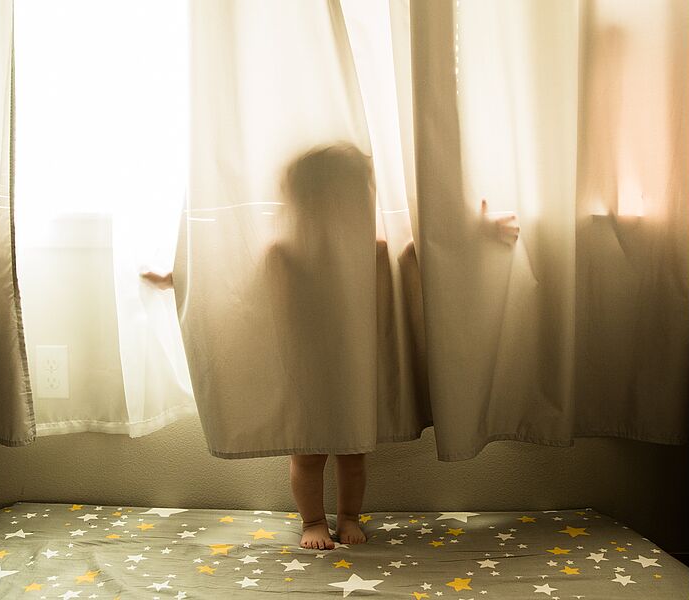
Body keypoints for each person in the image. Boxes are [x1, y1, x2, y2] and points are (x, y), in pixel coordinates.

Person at [142, 144, 519, 551]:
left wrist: (476, 231)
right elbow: (238, 296)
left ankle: (349, 516)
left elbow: (417, 254)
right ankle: (313, 520)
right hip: (305, 374)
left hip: (354, 371)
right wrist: (180, 276)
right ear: (303, 202)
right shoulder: (282, 253)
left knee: (353, 454)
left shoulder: (373, 249)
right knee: (307, 456)